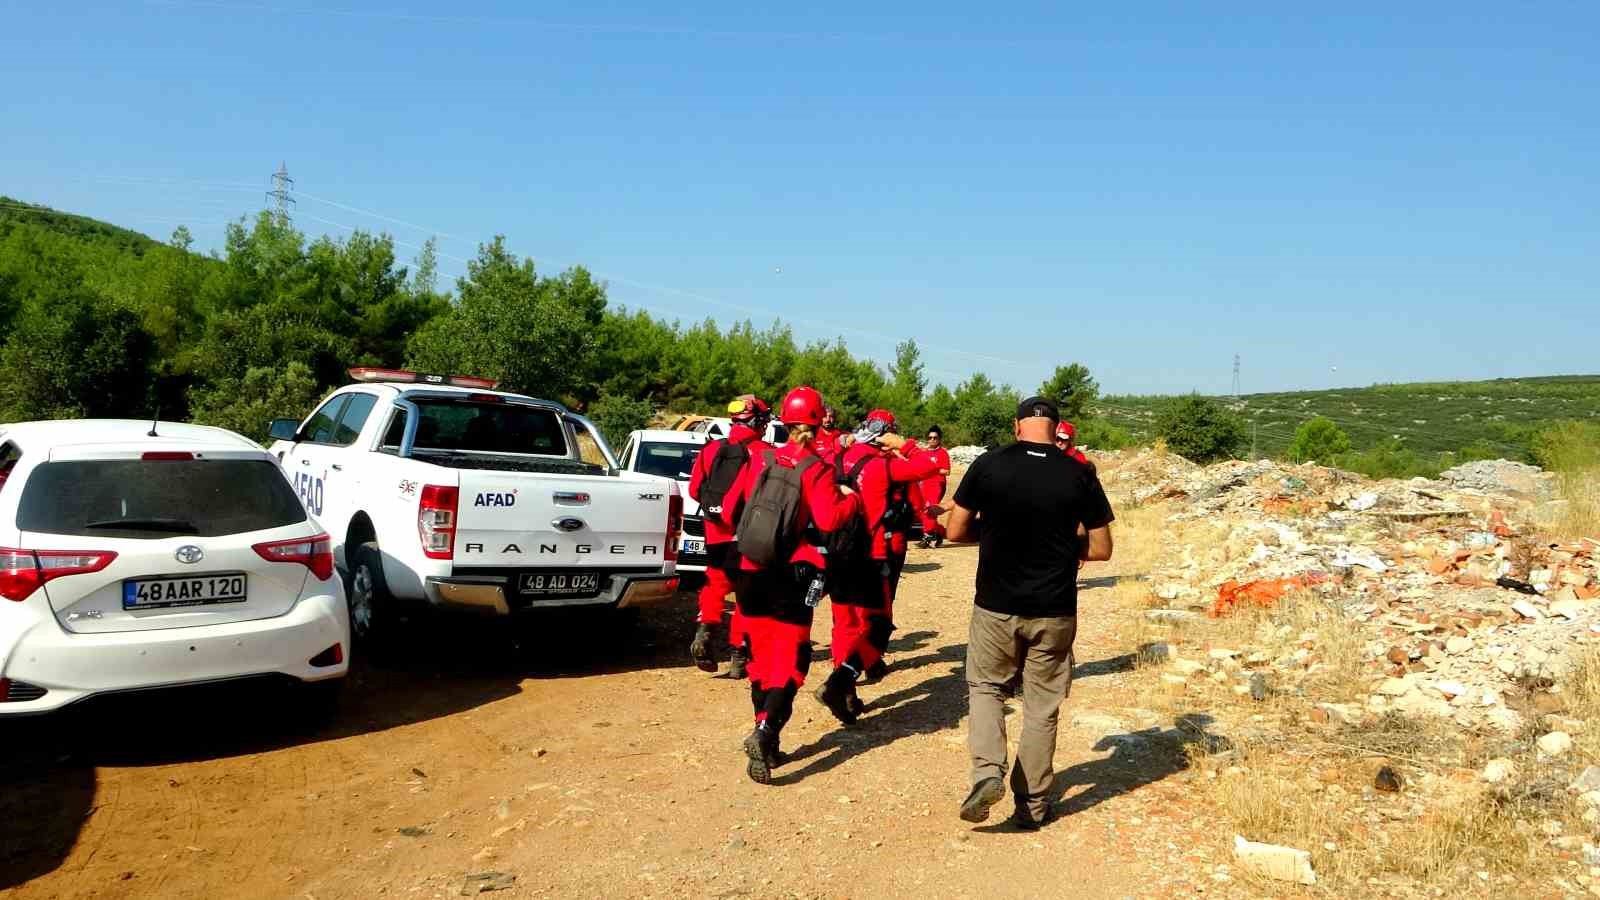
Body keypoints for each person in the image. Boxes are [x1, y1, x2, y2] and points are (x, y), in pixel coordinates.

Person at [946, 396, 1114, 830]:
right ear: (1057, 428)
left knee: (985, 688)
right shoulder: (1079, 473)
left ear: (1017, 426)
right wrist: (1062, 543)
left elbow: (955, 530)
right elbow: (1101, 549)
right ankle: (1033, 805)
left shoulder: (989, 464)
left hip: (996, 606)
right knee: (1042, 707)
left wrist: (995, 532)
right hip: (1054, 609)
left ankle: (987, 774)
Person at [733, 386, 861, 784]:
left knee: (759, 657)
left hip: (748, 568)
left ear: (784, 420)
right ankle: (767, 728)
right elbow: (828, 519)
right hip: (790, 574)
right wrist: (851, 498)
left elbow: (739, 503)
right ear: (818, 419)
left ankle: (766, 739)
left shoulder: (761, 458)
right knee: (791, 659)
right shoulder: (815, 467)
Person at [814, 408, 938, 722]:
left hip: (838, 553)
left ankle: (846, 691)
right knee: (878, 625)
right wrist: (904, 444)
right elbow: (928, 466)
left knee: (844, 624)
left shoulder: (837, 458)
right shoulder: (885, 466)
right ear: (886, 432)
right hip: (871, 555)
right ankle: (840, 681)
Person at [686, 395, 773, 676]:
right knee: (748, 596)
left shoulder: (712, 449)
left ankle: (705, 632)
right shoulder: (766, 453)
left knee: (714, 584)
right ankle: (739, 655)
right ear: (759, 421)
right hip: (749, 535)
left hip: (715, 533)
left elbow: (694, 490)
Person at [914, 425, 952, 549]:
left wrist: (932, 470)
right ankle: (939, 532)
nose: (932, 440)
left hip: (937, 484)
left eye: (935, 438)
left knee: (930, 510)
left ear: (939, 439)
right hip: (924, 484)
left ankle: (928, 535)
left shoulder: (942, 453)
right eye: (930, 438)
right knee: (922, 511)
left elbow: (946, 471)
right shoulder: (924, 452)